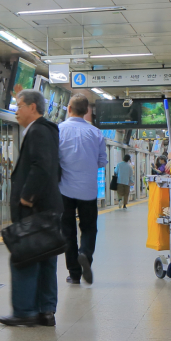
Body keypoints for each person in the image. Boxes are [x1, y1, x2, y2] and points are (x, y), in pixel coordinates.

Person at [0, 90, 63, 327]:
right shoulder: (47, 130)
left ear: (32, 107)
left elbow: (42, 166)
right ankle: (45, 311)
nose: (16, 111)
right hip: (48, 207)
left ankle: (25, 310)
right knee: (45, 257)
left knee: (24, 256)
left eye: (19, 106)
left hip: (36, 208)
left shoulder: (37, 131)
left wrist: (27, 197)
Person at [58, 96, 106, 285]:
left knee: (67, 231)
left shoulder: (59, 130)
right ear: (87, 111)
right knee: (88, 228)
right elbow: (102, 161)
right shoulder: (96, 133)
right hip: (88, 190)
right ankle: (85, 253)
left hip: (64, 190)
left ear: (69, 108)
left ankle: (74, 274)